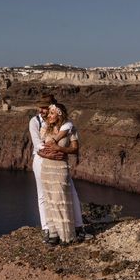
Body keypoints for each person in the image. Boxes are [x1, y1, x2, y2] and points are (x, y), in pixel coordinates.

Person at [29, 95, 92, 244]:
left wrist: (59, 149)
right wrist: (53, 152)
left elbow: (68, 128)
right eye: (41, 107)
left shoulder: (66, 125)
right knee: (44, 195)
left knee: (70, 193)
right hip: (42, 160)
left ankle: (77, 227)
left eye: (45, 107)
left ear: (53, 107)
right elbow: (37, 143)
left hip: (59, 161)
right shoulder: (35, 121)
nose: (42, 110)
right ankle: (48, 229)